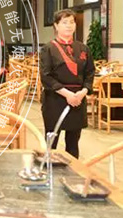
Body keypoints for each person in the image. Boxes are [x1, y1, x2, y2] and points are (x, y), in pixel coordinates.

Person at [39, 9, 95, 159]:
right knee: (51, 141)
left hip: (78, 100)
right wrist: (67, 94)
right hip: (55, 99)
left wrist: (83, 92)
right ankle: (48, 169)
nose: (69, 25)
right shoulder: (48, 49)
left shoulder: (83, 48)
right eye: (64, 22)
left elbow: (90, 73)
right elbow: (46, 76)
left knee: (73, 143)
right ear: (56, 26)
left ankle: (73, 169)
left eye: (71, 22)